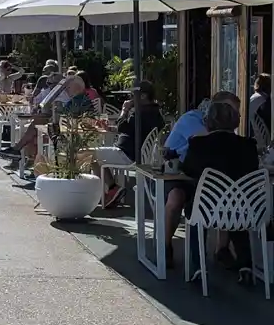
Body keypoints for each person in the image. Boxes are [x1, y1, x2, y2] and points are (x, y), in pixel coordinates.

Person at [181, 97, 260, 278]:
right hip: (244, 209)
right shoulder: (249, 145)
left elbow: (188, 169)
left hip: (207, 207)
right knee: (234, 205)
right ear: (235, 121)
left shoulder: (198, 144)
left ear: (208, 122)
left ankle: (198, 265)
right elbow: (253, 170)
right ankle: (245, 264)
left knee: (194, 213)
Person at [161, 91, 241, 265]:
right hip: (175, 174)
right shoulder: (193, 120)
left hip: (199, 174)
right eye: (231, 111)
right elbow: (209, 144)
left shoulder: (221, 125)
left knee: (228, 191)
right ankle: (165, 246)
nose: (235, 116)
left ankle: (222, 249)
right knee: (176, 197)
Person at [98, 81, 166, 207]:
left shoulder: (142, 113)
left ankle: (112, 189)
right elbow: (128, 129)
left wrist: (125, 110)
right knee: (95, 153)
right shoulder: (154, 112)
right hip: (133, 153)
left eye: (133, 95)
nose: (130, 98)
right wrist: (111, 129)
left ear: (143, 96)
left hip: (127, 154)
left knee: (89, 154)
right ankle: (111, 190)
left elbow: (122, 125)